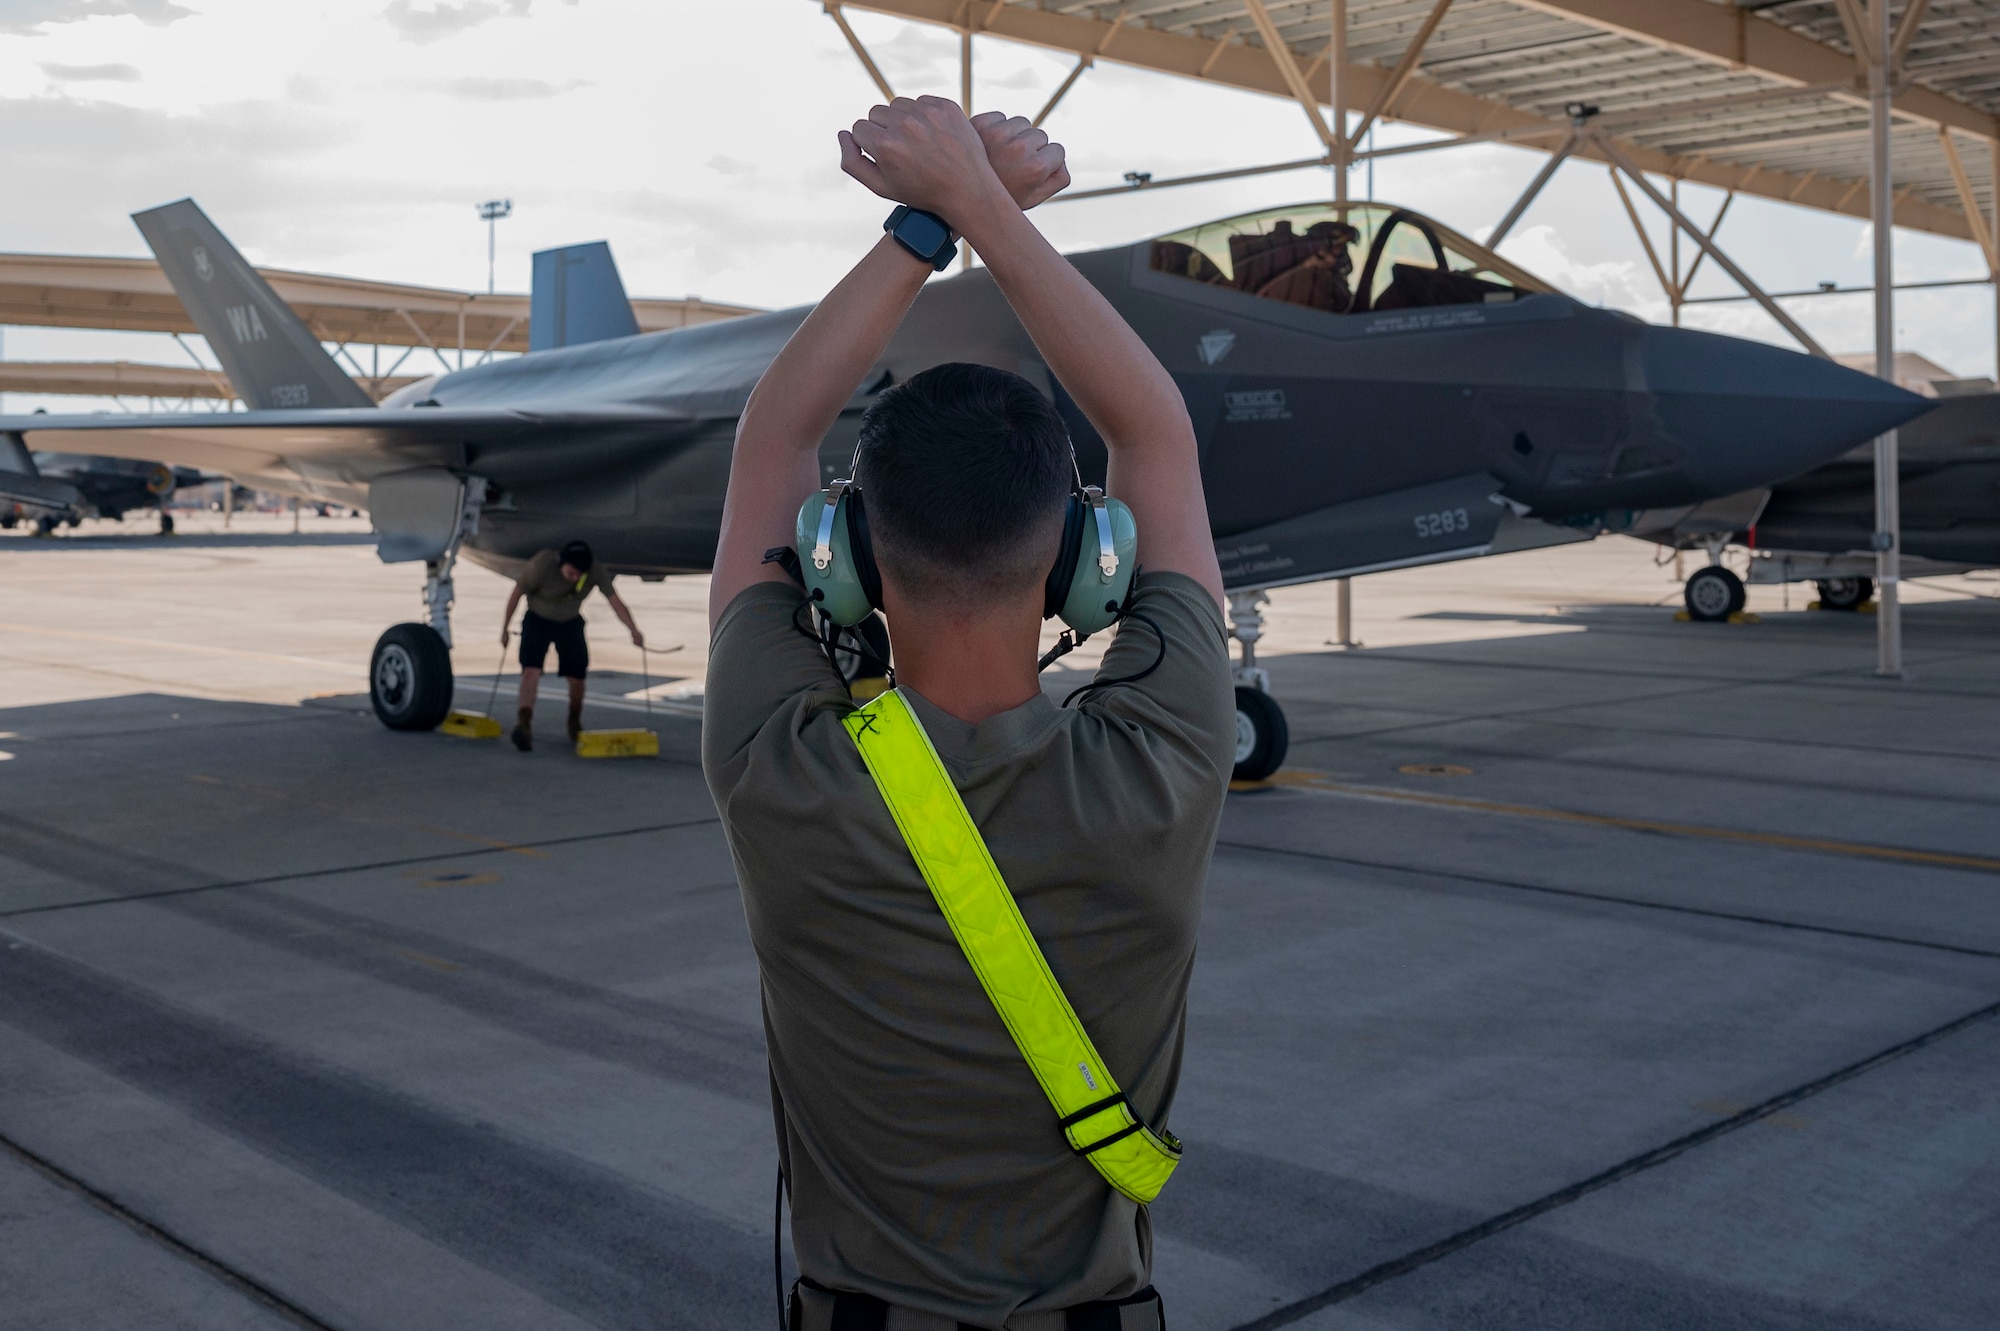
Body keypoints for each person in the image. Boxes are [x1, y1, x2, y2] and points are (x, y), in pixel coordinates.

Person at [701, 98, 1234, 1330]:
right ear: (1080, 562)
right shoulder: (1164, 763)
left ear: (841, 559)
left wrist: (923, 224)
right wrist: (983, 209)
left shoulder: (774, 762)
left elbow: (770, 436)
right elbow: (1153, 426)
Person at [500, 539, 644, 750]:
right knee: (531, 671)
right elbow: (516, 593)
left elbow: (615, 601)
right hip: (537, 620)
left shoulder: (594, 569)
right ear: (562, 563)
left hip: (570, 623)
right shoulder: (543, 563)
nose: (575, 577)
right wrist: (504, 629)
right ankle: (523, 725)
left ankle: (574, 721)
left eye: (579, 574)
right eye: (571, 572)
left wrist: (633, 630)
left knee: (577, 678)